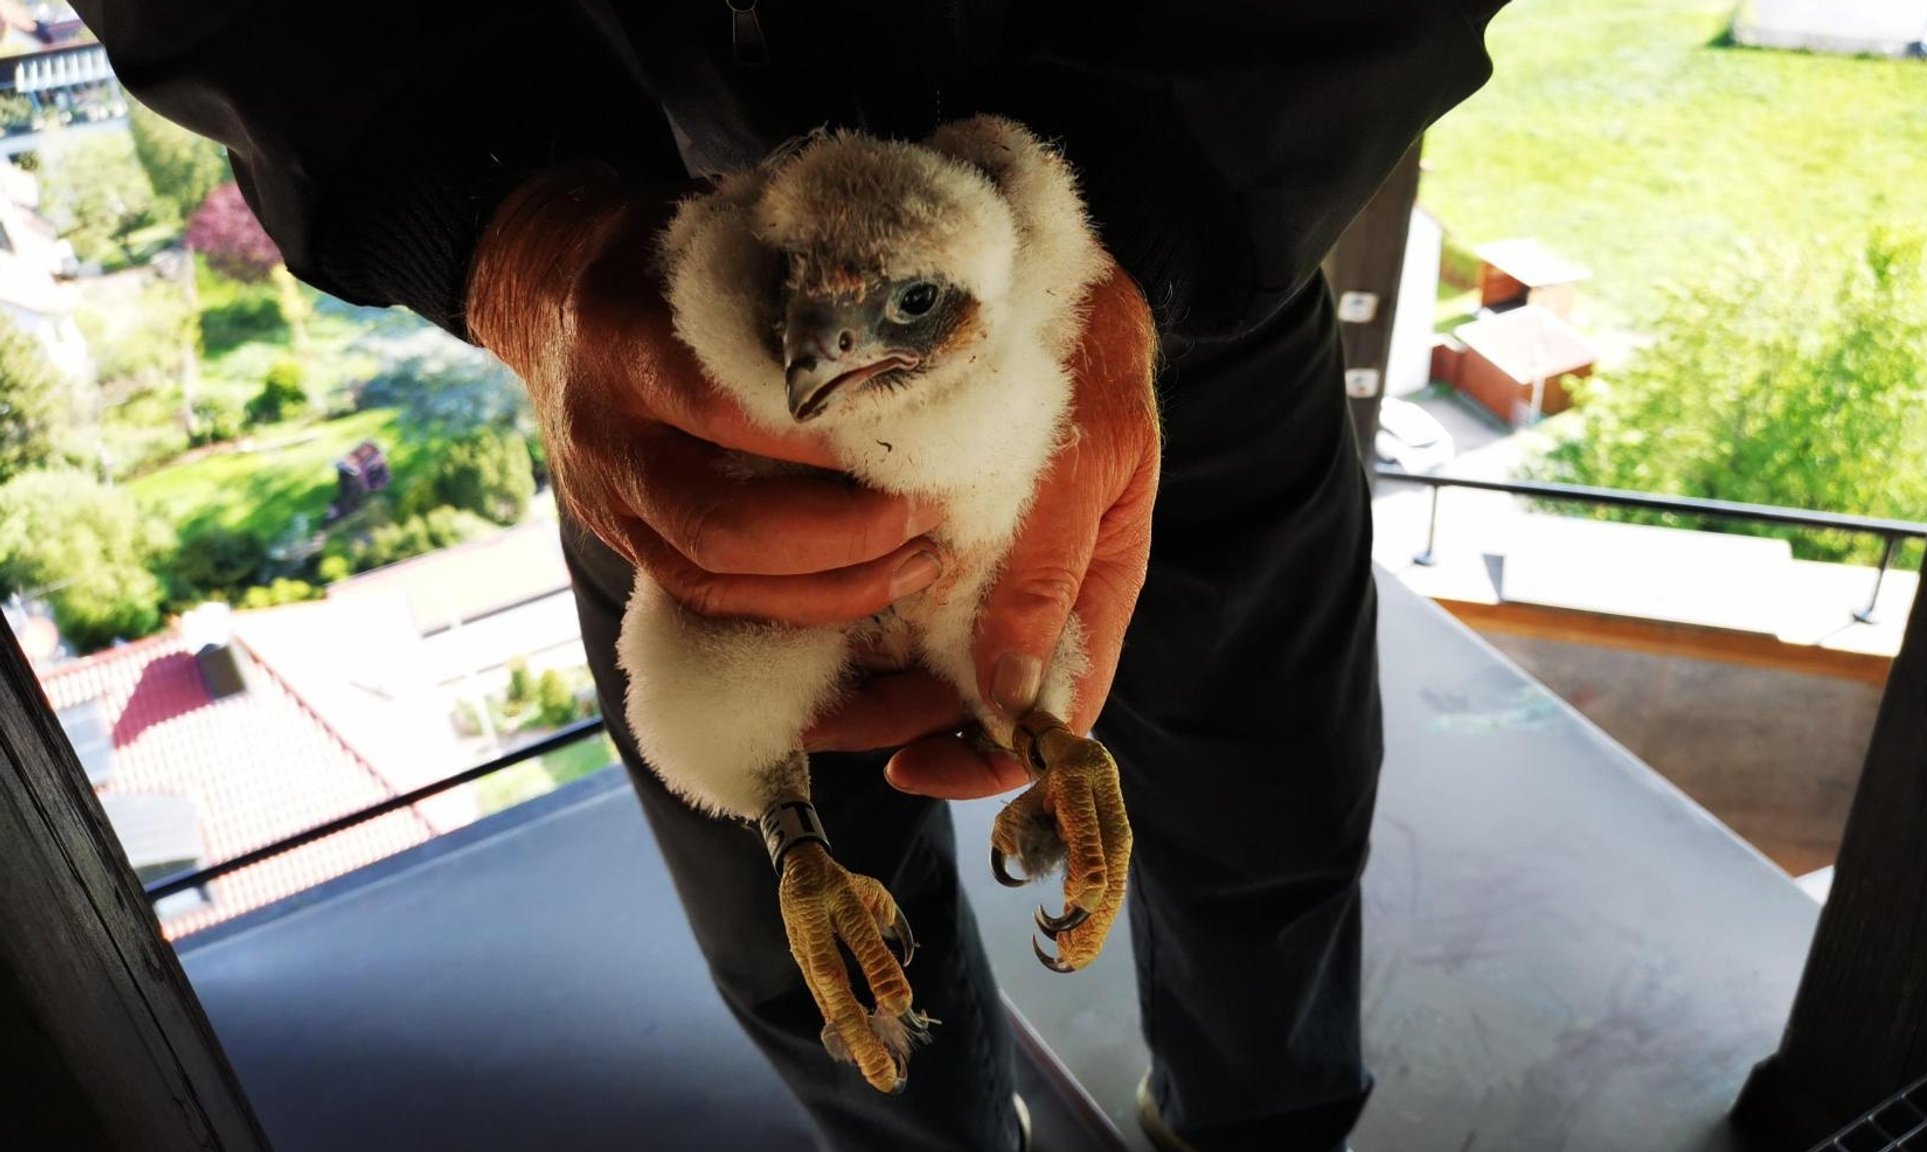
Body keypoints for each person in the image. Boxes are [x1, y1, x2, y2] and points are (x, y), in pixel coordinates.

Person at [78, 3, 1505, 1149]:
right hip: (671, 325)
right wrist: (500, 224)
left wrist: (1169, 195)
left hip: (1192, 275)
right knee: (799, 932)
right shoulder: (737, 321)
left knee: (1272, 826)